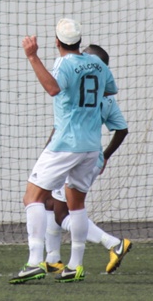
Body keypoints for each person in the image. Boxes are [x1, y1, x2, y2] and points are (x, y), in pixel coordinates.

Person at [10, 19, 114, 284]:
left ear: (57, 42)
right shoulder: (99, 64)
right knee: (76, 205)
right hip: (91, 145)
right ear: (79, 41)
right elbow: (110, 89)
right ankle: (75, 266)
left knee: (32, 197)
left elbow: (53, 88)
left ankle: (35, 261)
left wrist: (33, 57)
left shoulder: (63, 64)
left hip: (66, 142)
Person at [43, 44, 132, 275]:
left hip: (71, 153)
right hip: (91, 155)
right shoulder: (108, 99)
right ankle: (53, 259)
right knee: (52, 204)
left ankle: (112, 243)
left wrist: (47, 152)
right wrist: (106, 156)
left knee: (64, 212)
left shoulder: (74, 85)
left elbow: (63, 125)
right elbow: (121, 129)